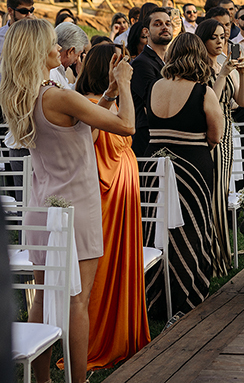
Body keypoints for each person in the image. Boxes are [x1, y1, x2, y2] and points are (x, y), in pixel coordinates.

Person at [0, 19, 134, 383]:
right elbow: (126, 126)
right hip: (77, 206)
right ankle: (78, 380)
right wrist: (124, 84)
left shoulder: (25, 95)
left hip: (45, 207)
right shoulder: (59, 94)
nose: (58, 48)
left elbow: (78, 135)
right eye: (50, 43)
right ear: (36, 51)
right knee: (78, 300)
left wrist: (104, 95)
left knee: (43, 296)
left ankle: (41, 379)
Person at [74, 43, 151, 369]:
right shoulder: (90, 106)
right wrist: (121, 89)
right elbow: (125, 126)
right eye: (121, 65)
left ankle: (123, 334)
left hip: (123, 199)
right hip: (106, 202)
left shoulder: (100, 104)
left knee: (121, 267)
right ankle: (95, 340)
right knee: (103, 273)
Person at [144, 33, 223, 317]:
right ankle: (187, 292)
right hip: (193, 166)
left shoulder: (154, 86)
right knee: (192, 228)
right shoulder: (203, 92)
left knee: (158, 229)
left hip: (155, 167)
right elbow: (216, 135)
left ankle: (155, 295)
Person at [196, 18, 244, 278]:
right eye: (214, 37)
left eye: (223, 37)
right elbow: (211, 102)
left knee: (222, 191)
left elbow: (242, 102)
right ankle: (214, 256)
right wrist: (224, 74)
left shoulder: (223, 64)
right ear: (203, 40)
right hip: (210, 132)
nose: (220, 41)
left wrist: (240, 73)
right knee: (214, 194)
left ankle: (221, 254)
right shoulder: (200, 67)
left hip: (229, 131)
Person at [130, 6, 172, 156]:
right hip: (148, 140)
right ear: (146, 31)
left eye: (168, 23)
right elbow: (153, 102)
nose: (164, 27)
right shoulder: (142, 63)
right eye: (158, 24)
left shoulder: (168, 62)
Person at [53, 21, 90, 88]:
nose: (76, 61)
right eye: (78, 55)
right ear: (70, 51)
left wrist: (81, 75)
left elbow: (69, 90)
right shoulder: (51, 71)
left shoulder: (58, 70)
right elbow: (66, 94)